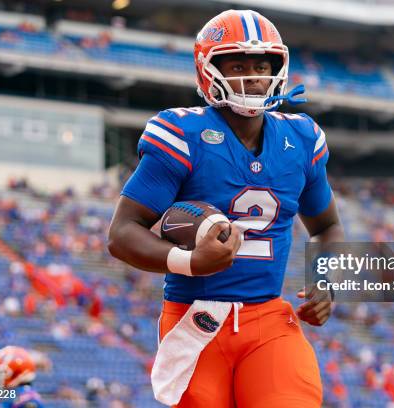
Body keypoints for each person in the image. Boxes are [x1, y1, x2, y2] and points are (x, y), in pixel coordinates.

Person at [108, 9, 344, 408]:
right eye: (237, 65)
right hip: (195, 320)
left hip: (269, 320)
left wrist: (325, 280)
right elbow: (122, 233)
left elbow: (327, 226)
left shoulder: (302, 138)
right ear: (209, 70)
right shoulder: (182, 134)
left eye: (260, 65)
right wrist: (189, 262)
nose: (252, 76)